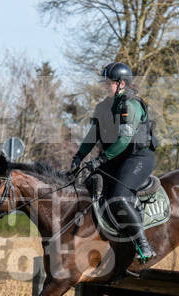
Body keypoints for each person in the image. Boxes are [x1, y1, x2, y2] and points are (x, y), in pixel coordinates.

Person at [69, 62, 157, 263]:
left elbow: (125, 139)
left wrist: (100, 160)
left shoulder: (131, 105)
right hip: (115, 157)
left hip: (138, 158)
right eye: (105, 83)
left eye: (109, 83)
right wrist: (78, 157)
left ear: (122, 84)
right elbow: (93, 135)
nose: (105, 86)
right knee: (88, 185)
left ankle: (143, 245)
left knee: (119, 196)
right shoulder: (103, 107)